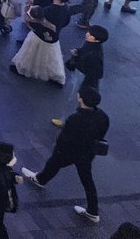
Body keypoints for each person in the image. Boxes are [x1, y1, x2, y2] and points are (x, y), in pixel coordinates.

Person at [21, 86, 109, 224]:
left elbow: (64, 139)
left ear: (81, 99)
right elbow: (100, 136)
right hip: (86, 154)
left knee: (53, 163)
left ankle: (40, 180)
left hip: (69, 152)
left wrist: (58, 150)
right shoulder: (103, 116)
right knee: (87, 181)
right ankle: (93, 211)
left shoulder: (75, 118)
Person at [10, 0, 71, 85]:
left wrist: (30, 1)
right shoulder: (66, 8)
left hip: (39, 35)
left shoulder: (49, 10)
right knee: (53, 58)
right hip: (53, 37)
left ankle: (22, 68)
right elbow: (66, 22)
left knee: (29, 52)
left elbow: (31, 18)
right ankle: (57, 77)